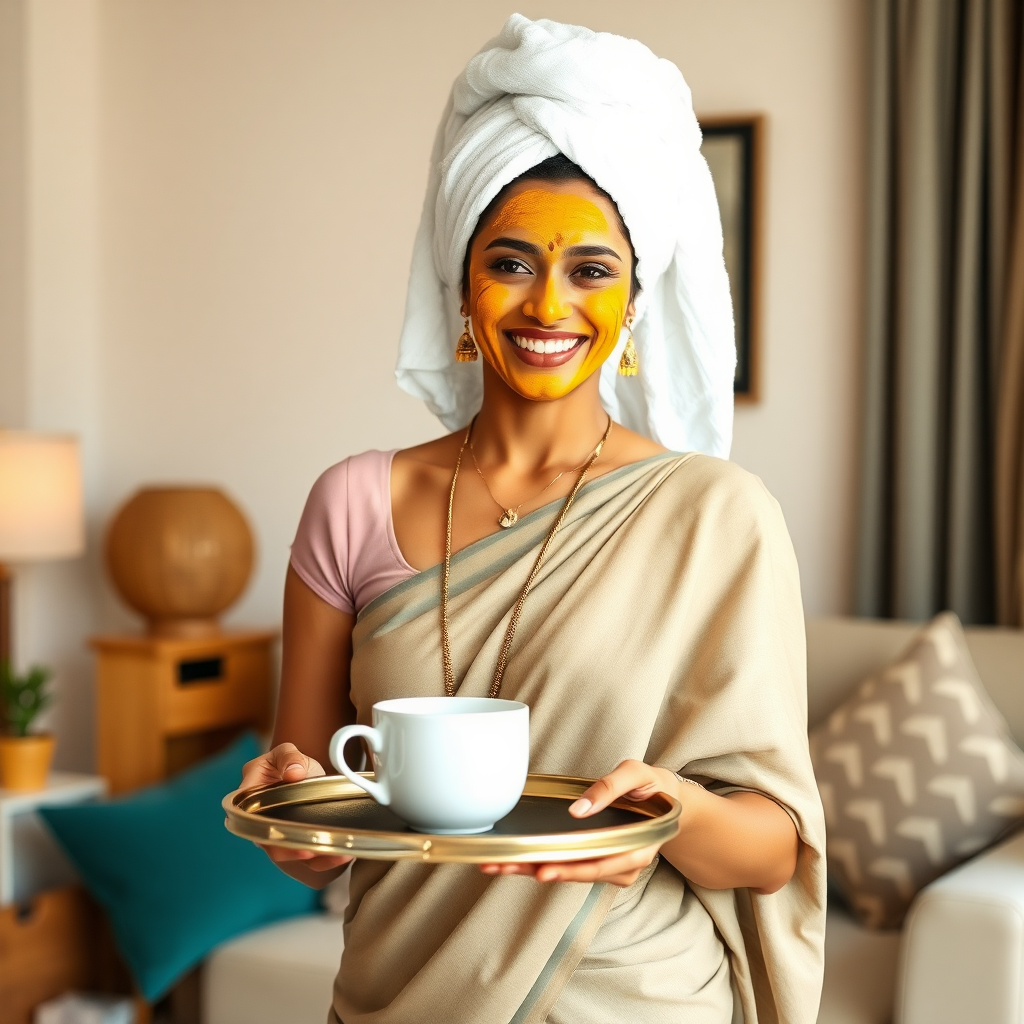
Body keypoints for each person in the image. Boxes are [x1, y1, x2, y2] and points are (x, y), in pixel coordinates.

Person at [240, 15, 825, 1024]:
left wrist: (668, 813)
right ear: (459, 285)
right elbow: (307, 839)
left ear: (633, 304)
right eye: (509, 261)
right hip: (398, 994)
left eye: (591, 270)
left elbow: (772, 849)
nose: (546, 303)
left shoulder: (716, 515)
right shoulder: (350, 503)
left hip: (635, 999)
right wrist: (286, 804)